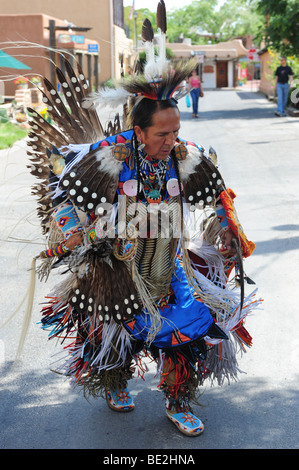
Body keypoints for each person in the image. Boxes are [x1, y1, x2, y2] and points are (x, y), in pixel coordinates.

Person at [22, 1, 260, 437]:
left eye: (176, 130)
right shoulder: (107, 159)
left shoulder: (185, 156)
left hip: (170, 263)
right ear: (138, 131)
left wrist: (227, 232)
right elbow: (66, 200)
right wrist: (78, 234)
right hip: (119, 263)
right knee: (115, 330)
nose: (172, 141)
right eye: (161, 134)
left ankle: (178, 400)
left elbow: (220, 198)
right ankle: (114, 379)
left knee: (189, 327)